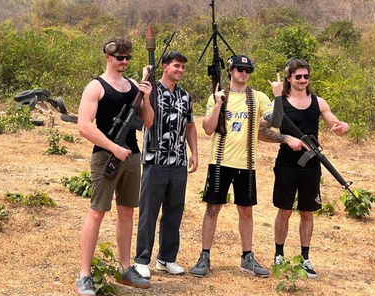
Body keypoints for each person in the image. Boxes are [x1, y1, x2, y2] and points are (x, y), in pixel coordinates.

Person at [75, 37, 155, 295]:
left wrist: (146, 97)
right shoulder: (95, 87)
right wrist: (113, 147)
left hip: (132, 157)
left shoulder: (133, 86)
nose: (124, 61)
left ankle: (125, 268)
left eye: (127, 57)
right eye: (119, 57)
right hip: (106, 156)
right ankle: (84, 274)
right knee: (97, 212)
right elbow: (84, 126)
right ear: (107, 57)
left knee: (127, 212)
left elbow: (148, 122)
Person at [259, 58, 349, 279]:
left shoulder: (318, 102)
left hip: (311, 164)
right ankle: (279, 254)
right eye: (297, 76)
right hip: (287, 163)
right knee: (285, 210)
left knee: (307, 212)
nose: (302, 80)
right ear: (289, 77)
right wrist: (285, 138)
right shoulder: (280, 102)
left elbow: (334, 124)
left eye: (306, 76)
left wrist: (342, 127)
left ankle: (305, 258)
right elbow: (262, 131)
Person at [190, 54, 273, 278]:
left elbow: (274, 118)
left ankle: (247, 257)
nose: (243, 73)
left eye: (248, 70)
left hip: (247, 164)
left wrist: (279, 98)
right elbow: (207, 128)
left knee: (246, 211)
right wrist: (218, 104)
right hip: (219, 162)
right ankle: (205, 255)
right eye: (239, 69)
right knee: (212, 209)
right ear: (230, 71)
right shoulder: (217, 96)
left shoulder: (258, 97)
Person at [133, 51, 199, 279]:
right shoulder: (151, 91)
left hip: (178, 161)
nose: (179, 70)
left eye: (182, 67)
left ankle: (167, 258)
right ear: (164, 67)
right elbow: (147, 121)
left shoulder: (185, 96)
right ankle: (142, 259)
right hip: (155, 160)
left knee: (174, 211)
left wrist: (194, 153)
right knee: (149, 211)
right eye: (176, 66)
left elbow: (190, 126)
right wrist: (146, 94)